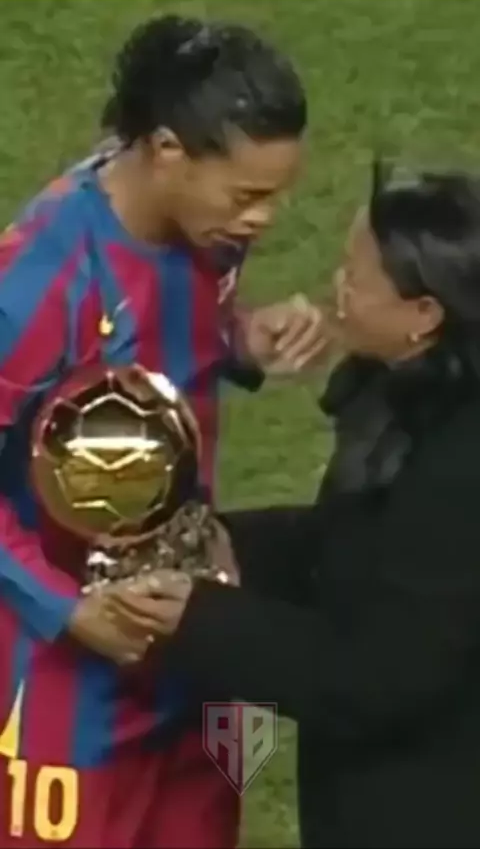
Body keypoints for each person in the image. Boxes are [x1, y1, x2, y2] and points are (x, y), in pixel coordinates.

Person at [0, 15, 326, 849]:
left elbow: (169, 336)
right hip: (66, 678)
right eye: (247, 195)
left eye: (276, 194)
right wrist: (67, 610)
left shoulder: (209, 234)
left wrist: (240, 340)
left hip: (199, 634)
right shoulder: (38, 282)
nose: (263, 219)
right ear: (168, 151)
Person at [109, 162, 480, 849]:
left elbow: (374, 679)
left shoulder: (459, 475)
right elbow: (359, 546)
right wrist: (222, 543)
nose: (337, 286)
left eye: (357, 278)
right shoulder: (421, 391)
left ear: (424, 315)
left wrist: (202, 617)